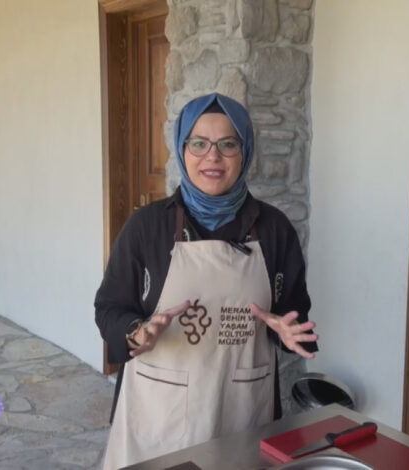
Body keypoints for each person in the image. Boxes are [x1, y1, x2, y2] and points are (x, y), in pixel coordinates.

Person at [95, 92, 318, 469]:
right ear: (182, 150)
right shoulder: (146, 227)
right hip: (158, 418)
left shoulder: (275, 230)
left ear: (245, 152)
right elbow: (109, 308)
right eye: (198, 143)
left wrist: (288, 330)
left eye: (228, 144)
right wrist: (135, 333)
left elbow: (297, 318)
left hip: (242, 414)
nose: (212, 156)